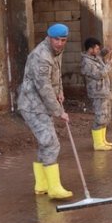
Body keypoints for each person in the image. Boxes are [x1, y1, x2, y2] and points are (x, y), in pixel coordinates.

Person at [17, 23, 72, 200]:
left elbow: (56, 75)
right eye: (56, 39)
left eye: (63, 40)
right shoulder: (41, 56)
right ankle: (54, 188)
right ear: (49, 37)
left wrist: (61, 92)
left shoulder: (56, 52)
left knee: (45, 143)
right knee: (51, 143)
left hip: (42, 105)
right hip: (33, 106)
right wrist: (59, 111)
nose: (60, 43)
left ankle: (41, 185)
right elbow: (44, 88)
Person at [81, 37, 112, 151]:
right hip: (97, 93)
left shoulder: (95, 57)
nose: (98, 50)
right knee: (99, 117)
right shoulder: (87, 62)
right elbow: (98, 74)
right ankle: (98, 143)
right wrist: (109, 65)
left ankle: (103, 140)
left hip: (104, 92)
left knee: (106, 117)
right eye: (96, 48)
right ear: (90, 49)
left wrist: (107, 49)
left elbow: (101, 54)